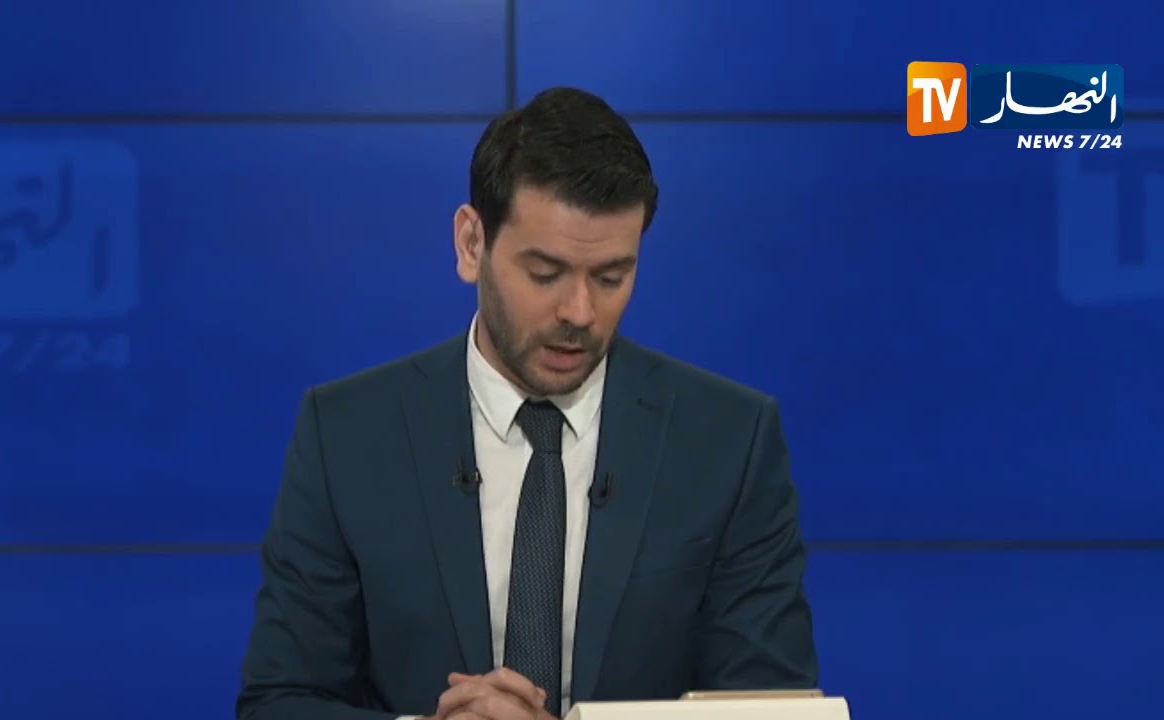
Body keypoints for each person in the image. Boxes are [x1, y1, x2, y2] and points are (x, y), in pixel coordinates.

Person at [235, 86, 819, 720]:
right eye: (545, 274)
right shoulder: (347, 434)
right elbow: (279, 703)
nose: (580, 312)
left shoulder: (729, 441)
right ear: (471, 244)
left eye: (612, 276)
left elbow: (772, 710)